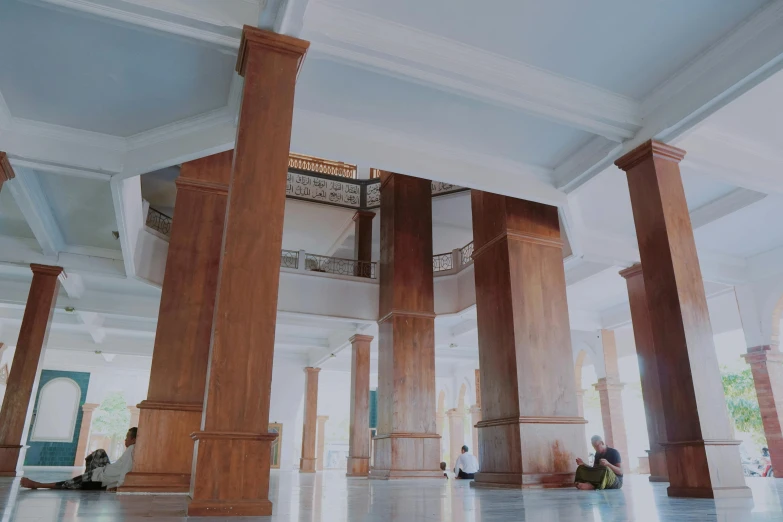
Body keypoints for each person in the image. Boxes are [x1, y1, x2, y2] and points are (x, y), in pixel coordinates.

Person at [21, 427, 137, 491]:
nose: (125, 440)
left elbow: (125, 470)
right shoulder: (132, 449)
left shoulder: (132, 449)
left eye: (127, 437)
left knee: (68, 484)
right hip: (103, 471)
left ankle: (38, 485)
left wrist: (119, 487)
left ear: (133, 439)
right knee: (99, 452)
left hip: (102, 478)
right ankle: (87, 479)